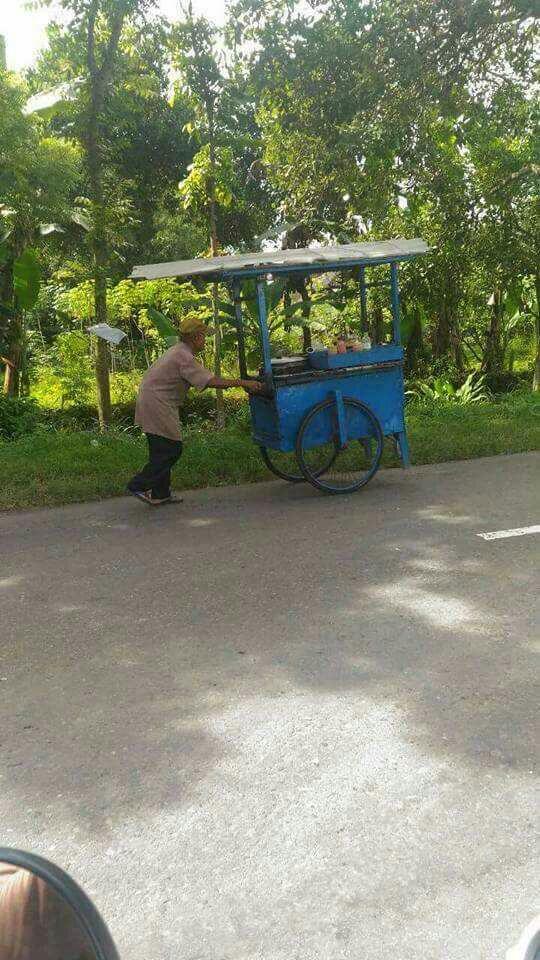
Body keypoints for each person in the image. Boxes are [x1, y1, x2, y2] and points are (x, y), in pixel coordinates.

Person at [128, 314, 264, 505]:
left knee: (161, 449)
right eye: (203, 336)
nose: (205, 340)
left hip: (154, 400)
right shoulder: (183, 357)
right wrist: (243, 382)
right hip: (158, 403)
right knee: (172, 449)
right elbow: (211, 381)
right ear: (195, 338)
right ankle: (138, 485)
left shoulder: (178, 351)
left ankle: (160, 493)